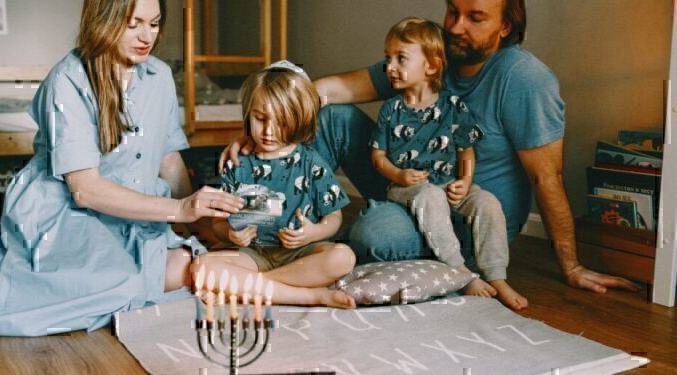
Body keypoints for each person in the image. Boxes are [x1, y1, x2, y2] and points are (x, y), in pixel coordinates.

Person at [222, 0, 639, 294]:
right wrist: (266, 123)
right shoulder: (426, 54)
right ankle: (287, 234)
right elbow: (328, 89)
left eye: (475, 17)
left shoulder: (525, 79)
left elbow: (548, 178)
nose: (456, 26)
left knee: (373, 232)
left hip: (460, 220)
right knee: (331, 117)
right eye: (453, 11)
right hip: (404, 188)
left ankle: (348, 247)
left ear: (505, 25)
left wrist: (571, 265)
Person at [0, 0, 244, 336]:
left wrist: (201, 225)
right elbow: (85, 190)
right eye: (133, 23)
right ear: (104, 21)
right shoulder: (67, 80)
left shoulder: (160, 76)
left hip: (138, 212)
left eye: (154, 23)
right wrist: (180, 209)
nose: (146, 36)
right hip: (70, 212)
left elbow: (167, 160)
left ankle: (43, 278)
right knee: (124, 284)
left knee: (186, 268)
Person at [372, 17, 526, 309]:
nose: (389, 67)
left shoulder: (452, 107)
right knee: (429, 196)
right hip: (406, 189)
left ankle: (496, 275)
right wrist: (398, 175)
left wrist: (465, 182)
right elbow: (378, 155)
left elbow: (466, 151)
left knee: (487, 202)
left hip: (447, 185)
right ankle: (459, 270)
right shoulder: (391, 110)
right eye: (387, 58)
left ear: (431, 66)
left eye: (400, 58)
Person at [196, 61, 356, 309]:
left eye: (281, 122)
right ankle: (311, 295)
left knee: (343, 258)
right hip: (255, 254)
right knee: (202, 267)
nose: (269, 131)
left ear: (299, 119)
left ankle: (252, 286)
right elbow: (217, 223)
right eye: (260, 119)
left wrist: (314, 232)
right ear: (249, 115)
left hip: (301, 254)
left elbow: (334, 217)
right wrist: (229, 234)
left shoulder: (312, 163)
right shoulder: (238, 164)